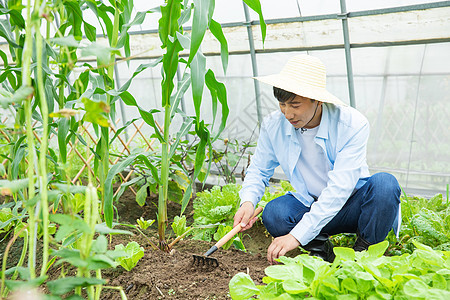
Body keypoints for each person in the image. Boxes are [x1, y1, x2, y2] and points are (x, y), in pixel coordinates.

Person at [233, 54, 401, 264]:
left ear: (318, 100)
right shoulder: (273, 125)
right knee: (275, 213)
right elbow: (259, 169)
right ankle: (322, 252)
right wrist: (248, 201)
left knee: (385, 185)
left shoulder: (351, 124)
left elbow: (339, 190)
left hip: (353, 206)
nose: (287, 113)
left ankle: (362, 254)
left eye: (295, 105)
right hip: (310, 204)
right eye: (282, 104)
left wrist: (295, 236)